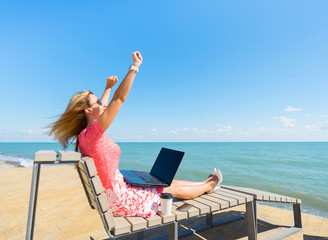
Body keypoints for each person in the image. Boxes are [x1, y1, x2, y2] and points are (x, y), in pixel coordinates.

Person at [48, 51, 222, 217]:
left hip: (114, 193)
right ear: (88, 110)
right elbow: (119, 100)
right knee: (169, 188)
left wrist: (107, 88)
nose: (102, 104)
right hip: (121, 199)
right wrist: (135, 67)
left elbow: (103, 107)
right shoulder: (92, 134)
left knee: (166, 183)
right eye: (98, 102)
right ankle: (209, 186)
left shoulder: (85, 135)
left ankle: (206, 184)